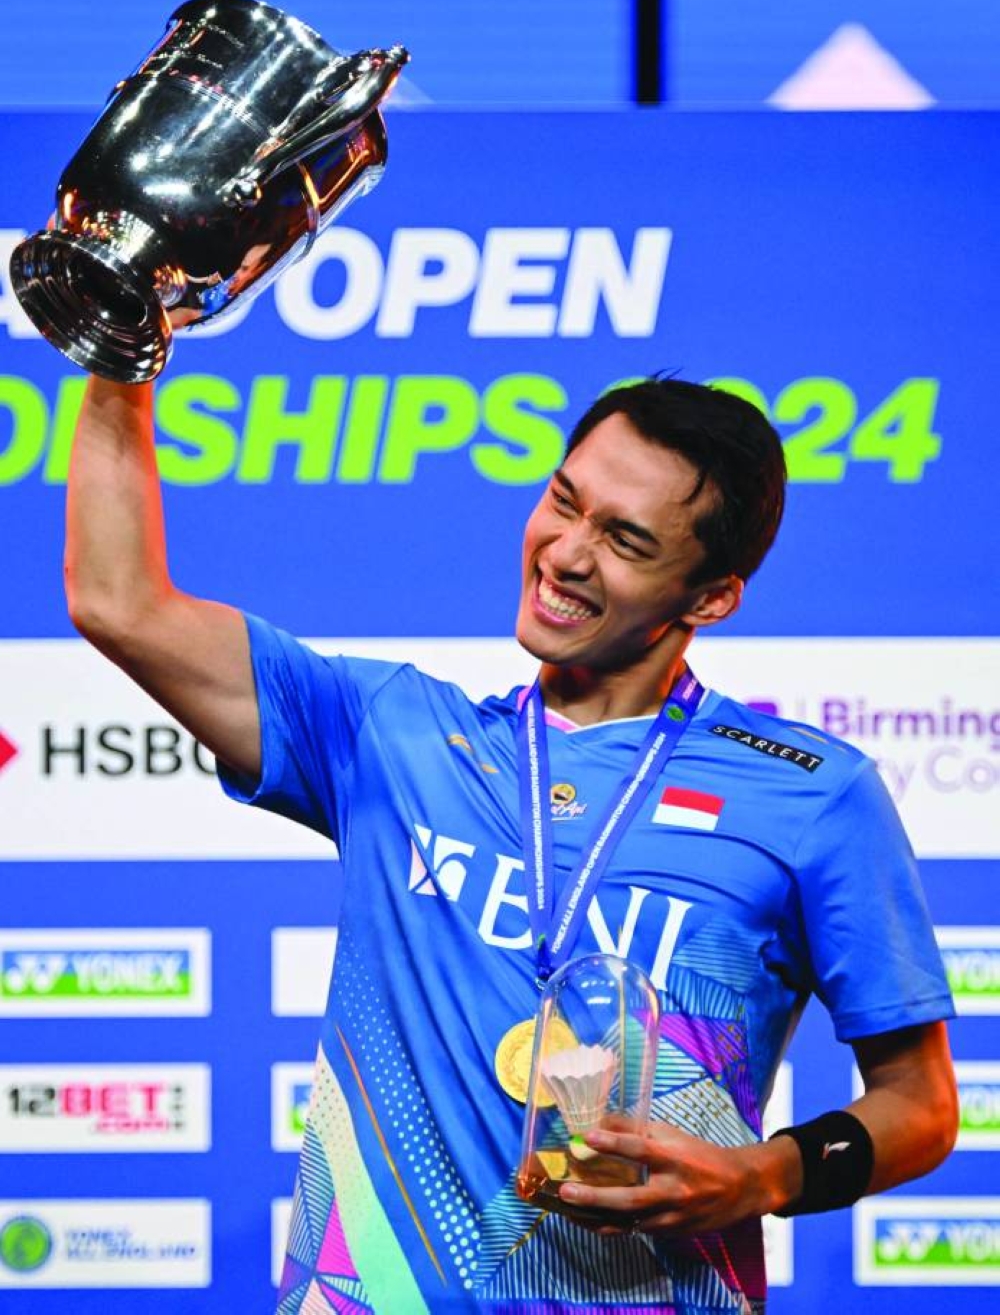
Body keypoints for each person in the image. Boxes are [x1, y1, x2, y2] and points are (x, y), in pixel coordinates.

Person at [66, 372, 957, 1314]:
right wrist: (125, 356)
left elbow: (924, 1104)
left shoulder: (813, 794)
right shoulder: (386, 733)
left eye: (624, 540)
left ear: (713, 597)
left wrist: (765, 1177)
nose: (565, 552)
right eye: (564, 501)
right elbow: (118, 602)